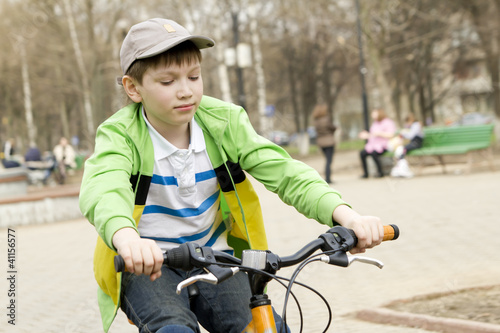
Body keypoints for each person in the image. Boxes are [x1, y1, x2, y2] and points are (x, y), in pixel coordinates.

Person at [79, 18, 385, 333]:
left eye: (194, 76)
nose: (186, 91)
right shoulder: (120, 135)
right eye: (168, 82)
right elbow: (104, 188)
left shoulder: (224, 122)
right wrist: (126, 237)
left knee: (262, 327)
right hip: (148, 264)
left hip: (215, 257)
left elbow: (285, 172)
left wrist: (346, 216)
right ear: (133, 88)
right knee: (173, 328)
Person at [359, 109, 396, 178]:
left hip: (384, 145)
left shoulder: (388, 122)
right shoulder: (375, 123)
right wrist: (366, 135)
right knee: (362, 153)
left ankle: (380, 172)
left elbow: (391, 134)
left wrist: (379, 133)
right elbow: (373, 134)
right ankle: (365, 173)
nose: (373, 117)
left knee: (374, 154)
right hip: (373, 145)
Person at [390, 113, 424, 178]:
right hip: (413, 142)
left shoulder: (416, 125)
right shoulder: (411, 126)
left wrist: (404, 133)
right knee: (401, 150)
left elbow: (411, 136)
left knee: (403, 149)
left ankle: (402, 166)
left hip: (417, 143)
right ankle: (400, 166)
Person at [312, 104, 337, 184]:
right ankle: (328, 178)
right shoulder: (326, 119)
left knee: (326, 159)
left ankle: (327, 177)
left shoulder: (316, 121)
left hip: (321, 143)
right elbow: (332, 128)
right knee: (329, 161)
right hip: (329, 141)